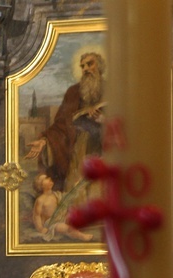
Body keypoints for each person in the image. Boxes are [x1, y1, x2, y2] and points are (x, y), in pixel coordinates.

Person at [26, 52, 106, 194]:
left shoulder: (112, 90)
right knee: (76, 191)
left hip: (105, 149)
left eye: (90, 64)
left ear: (99, 65)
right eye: (83, 66)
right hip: (80, 147)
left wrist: (103, 120)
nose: (86, 69)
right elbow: (61, 124)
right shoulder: (73, 92)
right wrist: (44, 141)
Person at [32, 173, 92, 242]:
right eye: (45, 179)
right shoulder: (40, 200)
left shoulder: (56, 195)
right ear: (41, 185)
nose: (49, 179)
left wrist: (75, 188)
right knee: (64, 228)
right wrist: (41, 229)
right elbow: (37, 216)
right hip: (51, 224)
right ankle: (82, 236)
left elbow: (66, 198)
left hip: (61, 218)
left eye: (48, 177)